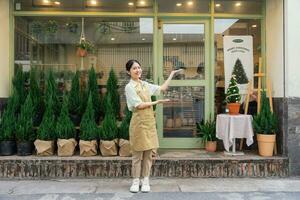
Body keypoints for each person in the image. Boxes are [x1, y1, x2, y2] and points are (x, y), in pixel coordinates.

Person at [125, 59, 182, 193]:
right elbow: (139, 105)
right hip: (138, 123)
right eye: (134, 68)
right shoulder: (130, 87)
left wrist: (171, 74)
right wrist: (158, 101)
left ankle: (145, 180)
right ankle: (135, 180)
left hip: (149, 123)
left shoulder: (145, 85)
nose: (137, 70)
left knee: (149, 154)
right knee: (137, 154)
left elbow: (162, 88)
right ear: (129, 72)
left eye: (139, 67)